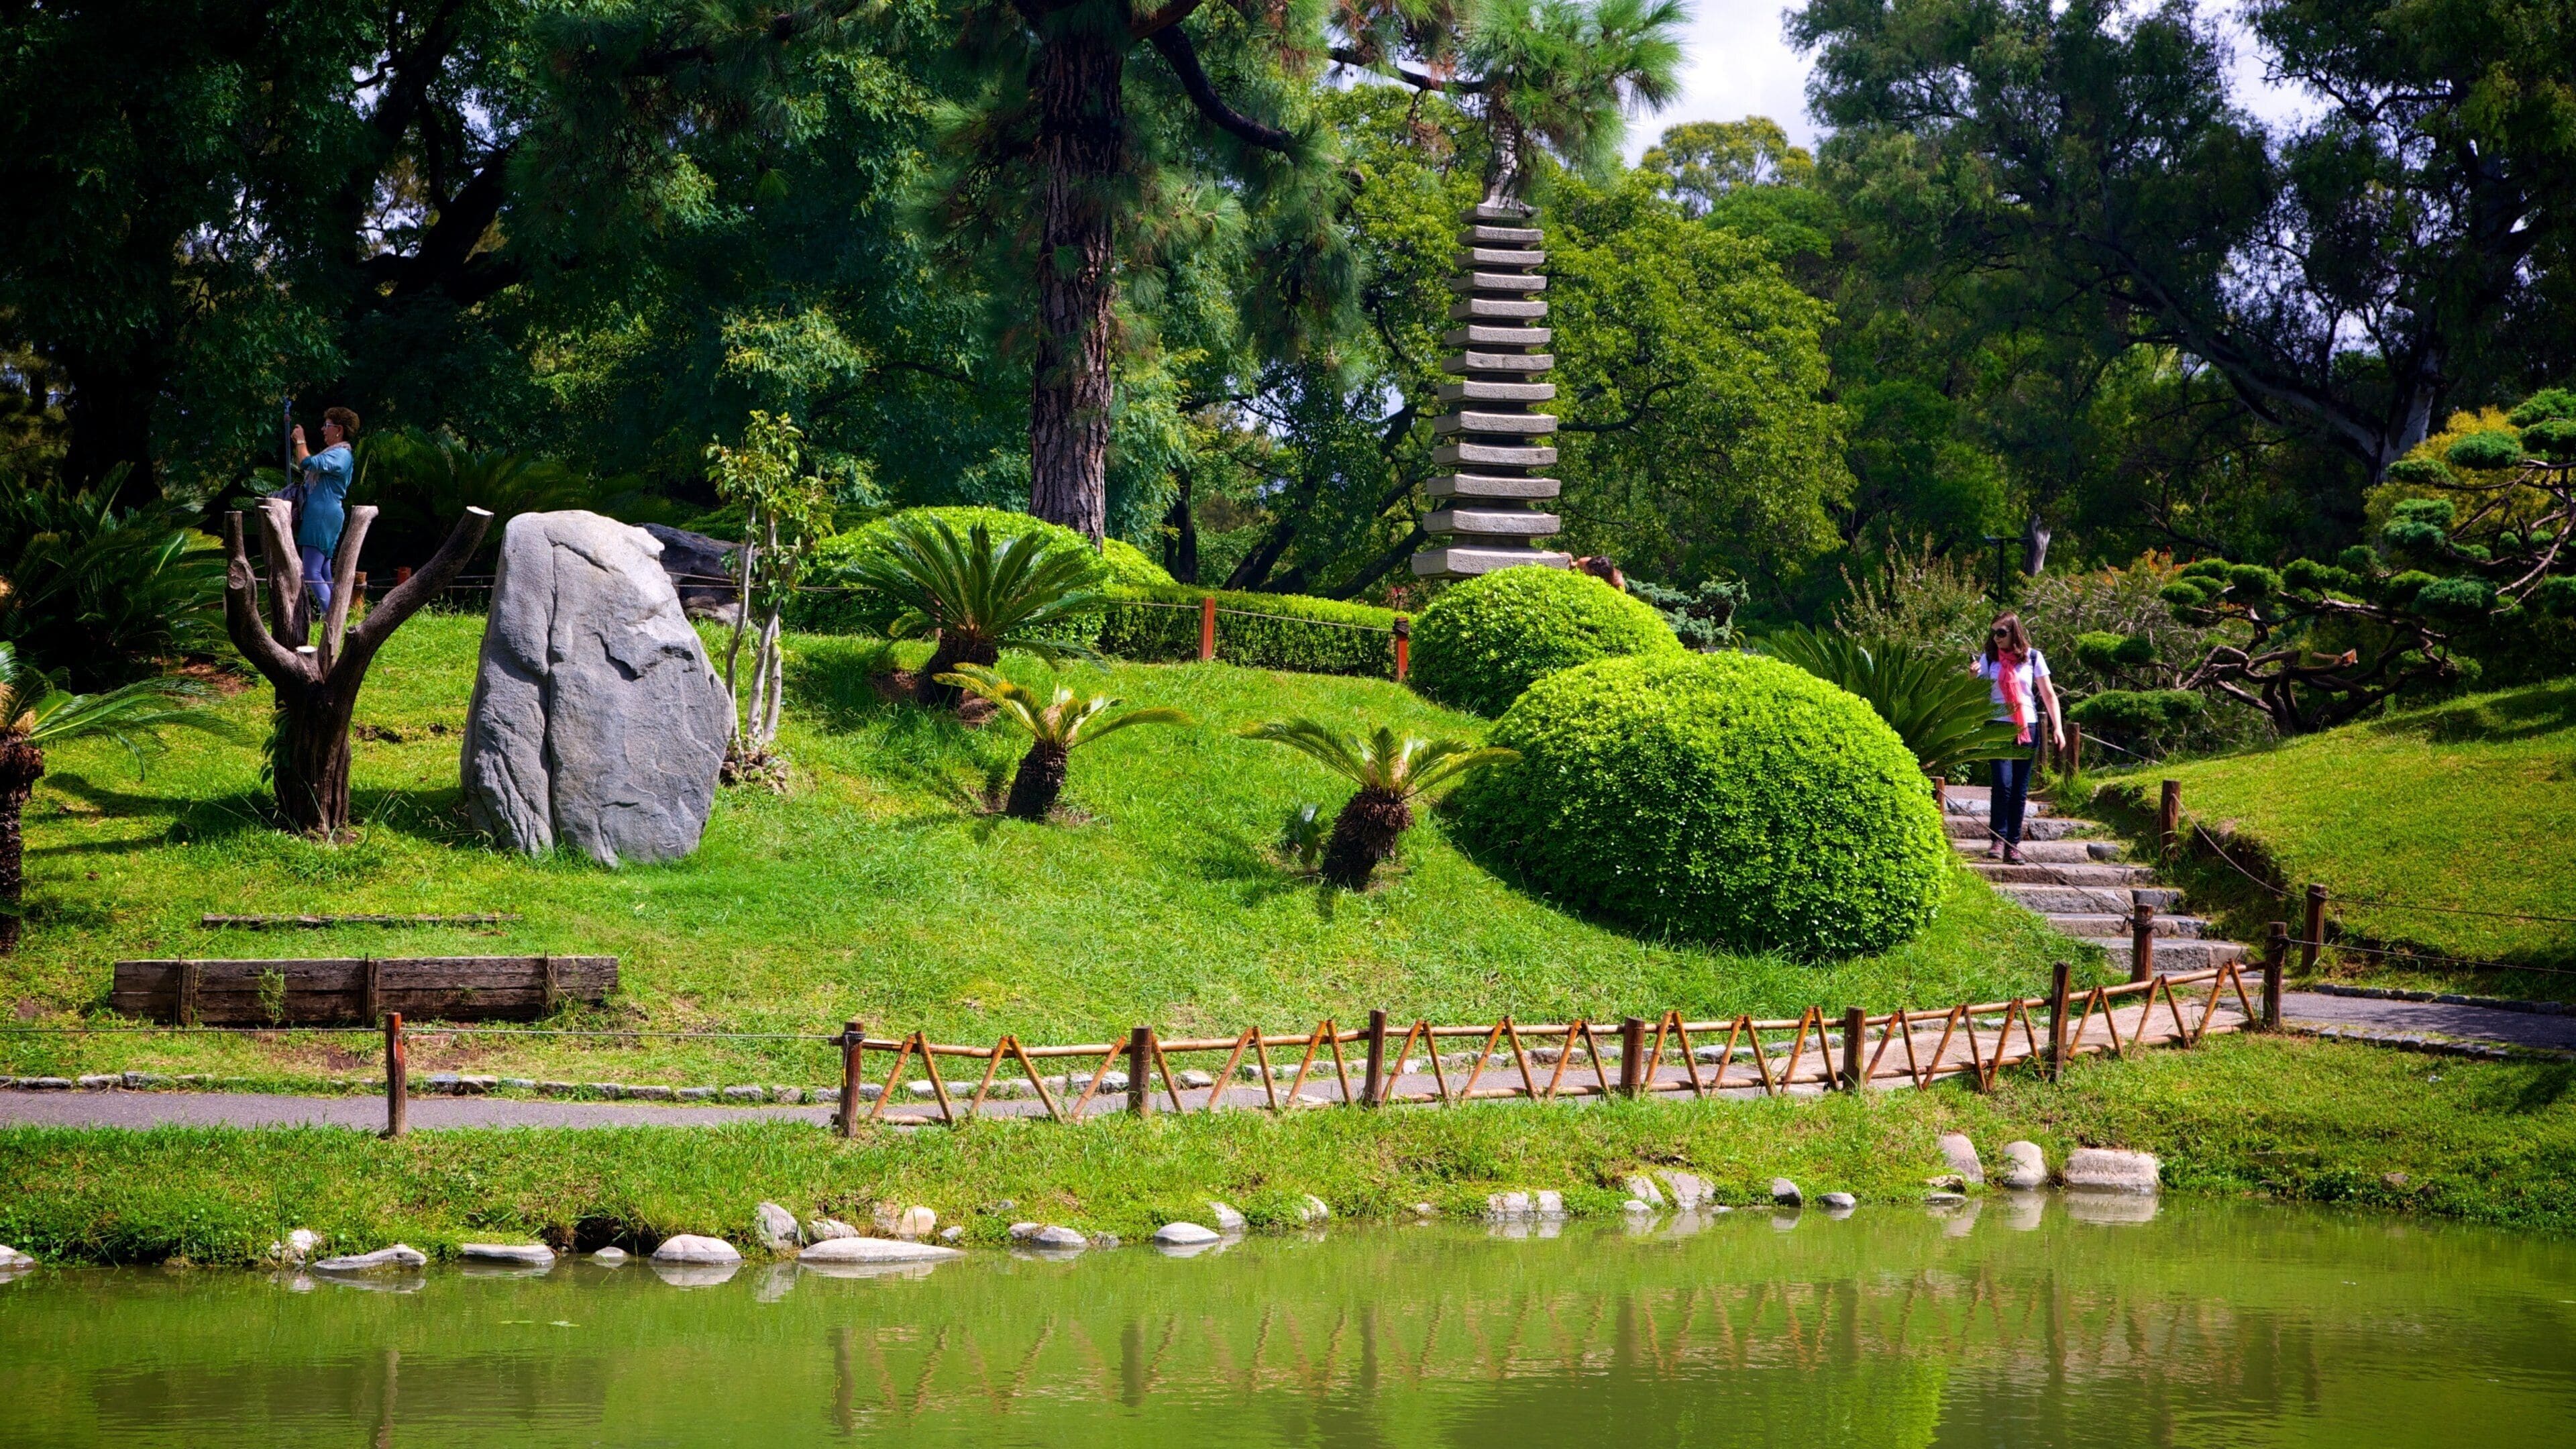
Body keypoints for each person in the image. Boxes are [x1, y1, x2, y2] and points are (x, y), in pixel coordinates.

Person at [1974, 612, 2063, 864]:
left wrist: (2058, 728)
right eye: (1994, 633)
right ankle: (1997, 840)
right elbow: (1975, 692)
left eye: (2001, 633)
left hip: (2027, 727)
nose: (1996, 638)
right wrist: (1971, 677)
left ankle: (2013, 844)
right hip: (1997, 726)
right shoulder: (1989, 659)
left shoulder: (2033, 657)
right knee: (2003, 784)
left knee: (2019, 790)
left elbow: (2048, 694)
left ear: (2015, 632)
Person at [286, 407, 358, 619]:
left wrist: (300, 441)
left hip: (323, 515)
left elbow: (307, 463)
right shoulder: (337, 453)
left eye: (327, 426)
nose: (323, 430)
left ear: (339, 430)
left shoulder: (342, 454)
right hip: (324, 514)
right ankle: (336, 615)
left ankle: (331, 618)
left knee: (312, 572)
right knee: (324, 570)